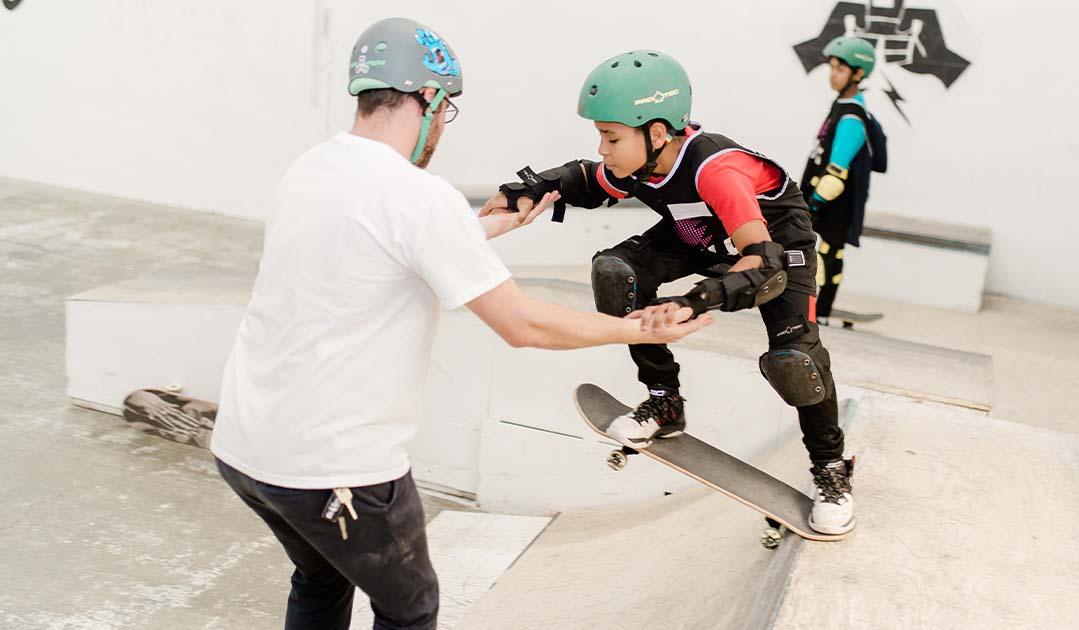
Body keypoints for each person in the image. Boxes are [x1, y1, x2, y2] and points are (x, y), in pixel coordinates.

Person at [209, 20, 710, 630]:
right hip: (337, 469)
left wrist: (486, 228)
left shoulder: (312, 169)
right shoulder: (418, 195)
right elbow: (523, 325)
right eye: (448, 110)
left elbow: (378, 249)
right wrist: (640, 330)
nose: (444, 126)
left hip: (243, 449)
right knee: (409, 609)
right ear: (431, 100)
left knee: (321, 577)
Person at [482, 50, 856, 537]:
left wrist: (693, 301)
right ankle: (664, 402)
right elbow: (584, 181)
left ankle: (831, 467)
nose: (604, 149)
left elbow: (761, 265)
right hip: (696, 231)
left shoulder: (714, 170)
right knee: (619, 272)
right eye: (601, 136)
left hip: (775, 245)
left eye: (611, 137)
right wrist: (524, 192)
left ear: (656, 133)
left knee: (794, 361)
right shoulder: (643, 161)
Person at [799, 36, 884, 324]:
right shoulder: (844, 104)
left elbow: (836, 172)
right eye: (832, 67)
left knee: (824, 254)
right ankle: (820, 309)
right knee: (828, 252)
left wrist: (811, 204)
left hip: (832, 202)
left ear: (858, 73)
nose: (832, 74)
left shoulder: (852, 116)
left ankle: (818, 311)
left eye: (840, 69)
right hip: (829, 202)